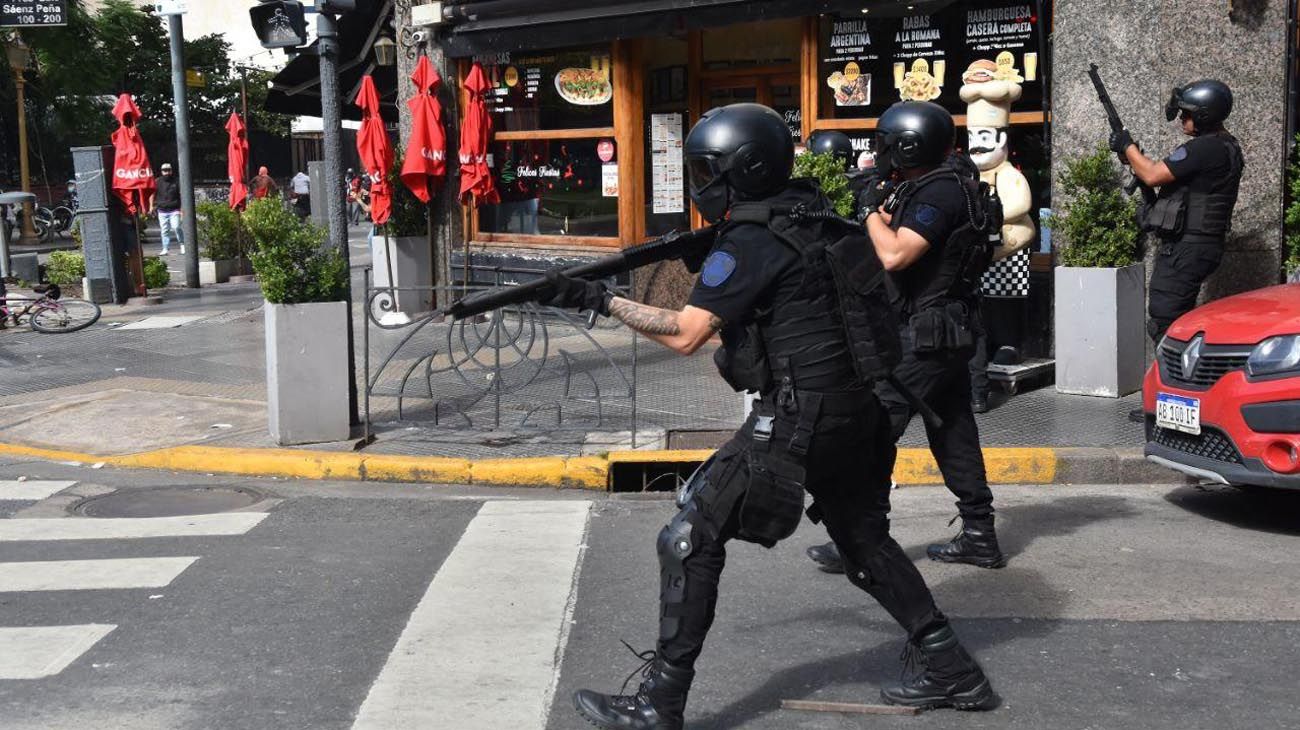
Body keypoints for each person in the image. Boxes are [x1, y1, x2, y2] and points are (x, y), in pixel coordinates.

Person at [537, 104, 997, 730]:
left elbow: (685, 334)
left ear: (743, 170)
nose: (703, 185)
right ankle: (952, 667)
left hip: (800, 420)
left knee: (687, 537)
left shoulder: (753, 239)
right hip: (858, 413)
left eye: (708, 171)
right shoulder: (822, 220)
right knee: (864, 545)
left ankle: (660, 704)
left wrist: (599, 298)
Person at [808, 103, 1006, 576]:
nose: (882, 152)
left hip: (925, 334)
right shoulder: (946, 181)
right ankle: (980, 534)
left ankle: (862, 542)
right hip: (944, 331)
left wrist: (869, 212)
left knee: (874, 430)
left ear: (910, 144)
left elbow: (897, 254)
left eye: (889, 143)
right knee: (953, 429)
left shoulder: (939, 191)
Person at [1110, 80, 1244, 344]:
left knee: (1164, 322)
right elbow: (1166, 179)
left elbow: (1152, 174)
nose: (1183, 118)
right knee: (1179, 319)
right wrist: (1133, 159)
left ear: (1205, 115)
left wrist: (1127, 146)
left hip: (1188, 249)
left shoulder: (1205, 147)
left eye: (1188, 113)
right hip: (1201, 246)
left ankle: (1179, 381)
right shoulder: (1227, 146)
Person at [151, 162, 183, 256]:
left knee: (176, 227)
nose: (166, 172)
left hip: (175, 209)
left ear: (171, 171)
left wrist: (182, 209)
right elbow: (152, 194)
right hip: (162, 210)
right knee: (164, 230)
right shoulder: (157, 182)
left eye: (168, 170)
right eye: (164, 171)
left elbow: (182, 194)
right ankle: (165, 248)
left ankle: (182, 244)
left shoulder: (177, 181)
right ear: (161, 171)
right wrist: (151, 206)